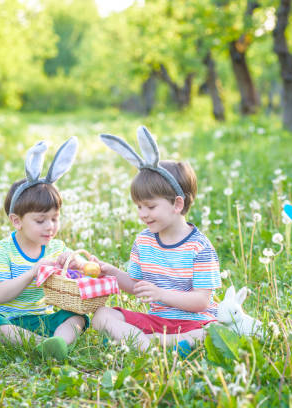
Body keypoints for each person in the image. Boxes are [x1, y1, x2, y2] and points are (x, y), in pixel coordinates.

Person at [92, 126, 221, 354]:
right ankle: (150, 342)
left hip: (193, 322)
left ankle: (137, 342)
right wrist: (109, 271)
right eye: (139, 206)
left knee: (210, 333)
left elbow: (201, 301)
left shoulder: (199, 247)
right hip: (156, 321)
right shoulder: (144, 241)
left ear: (177, 204)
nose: (142, 214)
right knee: (102, 315)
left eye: (150, 206)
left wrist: (161, 294)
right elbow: (136, 286)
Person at [0, 138, 88, 361]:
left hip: (42, 318)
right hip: (9, 319)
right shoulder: (2, 250)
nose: (50, 226)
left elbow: (75, 283)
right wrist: (32, 272)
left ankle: (58, 342)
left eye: (55, 219)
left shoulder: (56, 248)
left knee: (78, 316)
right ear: (17, 221)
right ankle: (41, 345)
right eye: (40, 220)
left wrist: (78, 266)